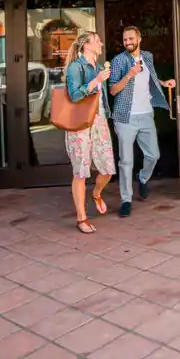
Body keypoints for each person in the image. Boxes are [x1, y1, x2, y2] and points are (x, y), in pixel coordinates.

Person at [109, 26, 176, 218]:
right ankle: (126, 200)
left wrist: (163, 83)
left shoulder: (147, 56)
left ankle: (143, 177)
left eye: (131, 39)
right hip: (125, 117)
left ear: (139, 39)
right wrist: (129, 74)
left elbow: (150, 78)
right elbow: (113, 90)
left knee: (153, 155)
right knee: (126, 161)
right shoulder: (118, 61)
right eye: (125, 40)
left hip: (146, 114)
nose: (127, 42)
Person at [63, 32, 114, 234]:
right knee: (81, 171)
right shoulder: (76, 67)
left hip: (99, 121)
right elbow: (74, 96)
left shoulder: (100, 67)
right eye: (97, 40)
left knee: (108, 169)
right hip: (80, 125)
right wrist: (95, 81)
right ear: (86, 45)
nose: (101, 43)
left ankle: (96, 193)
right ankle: (81, 218)